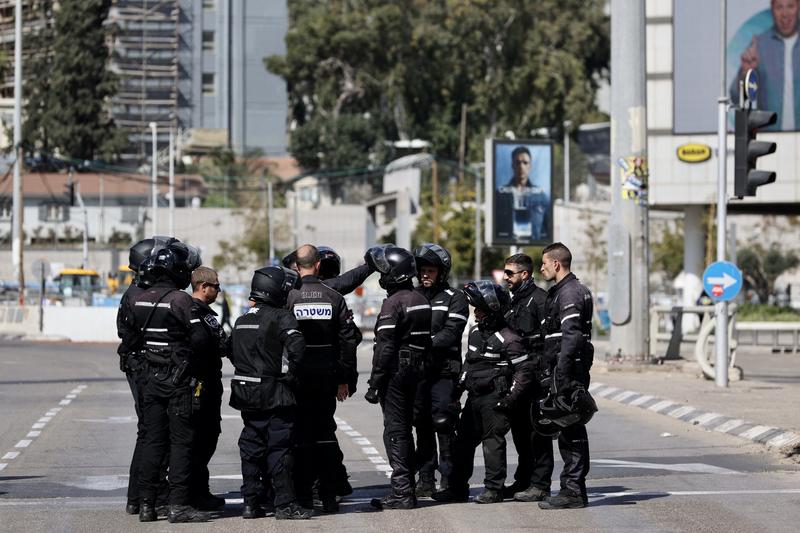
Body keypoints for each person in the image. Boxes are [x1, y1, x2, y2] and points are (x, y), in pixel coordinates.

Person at [432, 281, 532, 504]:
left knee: (492, 444)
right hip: (474, 400)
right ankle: (457, 489)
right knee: (462, 444)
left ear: (492, 311)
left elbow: (524, 372)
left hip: (495, 400)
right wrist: (457, 391)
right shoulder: (476, 333)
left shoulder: (510, 339)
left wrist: (510, 399)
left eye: (479, 309)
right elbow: (469, 364)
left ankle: (494, 490)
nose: (475, 314)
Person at [229, 266, 314, 520]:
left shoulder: (241, 320)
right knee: (280, 447)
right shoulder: (280, 316)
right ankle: (285, 504)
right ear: (275, 290)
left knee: (251, 447)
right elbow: (298, 348)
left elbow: (232, 352)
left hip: (246, 393)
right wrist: (291, 375)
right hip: (274, 393)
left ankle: (250, 503)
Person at [132, 242, 209, 523]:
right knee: (181, 442)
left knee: (153, 441)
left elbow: (131, 334)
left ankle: (147, 505)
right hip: (178, 380)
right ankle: (178, 505)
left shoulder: (139, 298)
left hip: (151, 376)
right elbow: (200, 339)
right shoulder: (180, 300)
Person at [285, 244, 361, 513]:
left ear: (296, 266)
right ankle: (328, 494)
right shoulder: (334, 297)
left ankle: (305, 496)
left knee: (300, 435)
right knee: (325, 434)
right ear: (318, 265)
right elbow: (348, 341)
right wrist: (346, 379)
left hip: (296, 379)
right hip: (326, 379)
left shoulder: (289, 297)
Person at [363, 245, 432, 510]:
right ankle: (408, 487)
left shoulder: (394, 303)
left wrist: (374, 383)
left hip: (397, 373)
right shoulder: (421, 299)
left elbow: (386, 347)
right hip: (417, 370)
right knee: (405, 429)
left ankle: (402, 491)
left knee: (396, 431)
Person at [116, 236, 174, 516]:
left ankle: (137, 496)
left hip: (139, 366)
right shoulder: (140, 294)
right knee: (154, 433)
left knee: (148, 433)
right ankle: (151, 495)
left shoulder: (136, 291)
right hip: (145, 369)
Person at [537, 242, 594, 510]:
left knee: (571, 428)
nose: (542, 268)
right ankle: (573, 488)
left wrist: (561, 373)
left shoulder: (570, 292)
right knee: (567, 428)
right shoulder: (564, 291)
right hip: (566, 369)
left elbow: (571, 337)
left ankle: (573, 491)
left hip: (569, 371)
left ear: (556, 264)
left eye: (544, 263)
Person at [411, 243, 469, 496]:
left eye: (431, 270)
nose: (426, 275)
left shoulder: (454, 298)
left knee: (444, 424)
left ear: (441, 272)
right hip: (418, 374)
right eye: (422, 270)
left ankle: (449, 480)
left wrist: (423, 344)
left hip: (444, 372)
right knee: (421, 425)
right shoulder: (412, 296)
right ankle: (425, 479)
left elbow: (451, 332)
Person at [501, 253, 550, 502]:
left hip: (535, 376)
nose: (505, 277)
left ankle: (540, 484)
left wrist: (544, 374)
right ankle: (524, 480)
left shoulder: (540, 299)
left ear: (524, 274)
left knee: (537, 433)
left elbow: (549, 341)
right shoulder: (513, 300)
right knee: (520, 432)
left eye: (510, 273)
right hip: (517, 376)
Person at [188, 266, 228, 511]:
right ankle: (193, 492)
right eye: (216, 286)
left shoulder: (207, 313)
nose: (218, 290)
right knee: (198, 440)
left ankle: (200, 490)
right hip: (198, 384)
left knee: (209, 437)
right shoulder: (193, 312)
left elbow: (223, 344)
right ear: (204, 287)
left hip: (211, 382)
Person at [729, 0, 800, 130]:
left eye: (790, 6)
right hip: (769, 141)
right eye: (779, 7)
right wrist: (746, 73)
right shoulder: (759, 45)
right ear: (772, 8)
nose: (785, 13)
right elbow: (736, 97)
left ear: (798, 7)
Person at [495, 146, 549, 242]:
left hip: (533, 248)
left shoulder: (540, 196)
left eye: (525, 162)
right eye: (518, 162)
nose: (521, 166)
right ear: (512, 165)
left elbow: (546, 229)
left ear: (530, 166)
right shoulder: (499, 195)